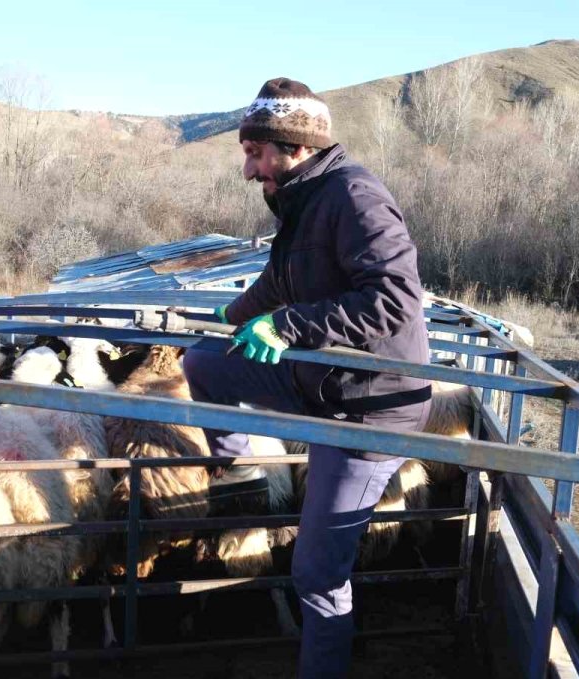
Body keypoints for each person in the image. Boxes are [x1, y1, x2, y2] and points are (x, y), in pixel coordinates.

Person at [181, 78, 431, 678]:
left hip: (369, 406)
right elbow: (279, 281)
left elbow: (396, 299)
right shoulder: (302, 199)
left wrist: (288, 326)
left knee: (317, 573)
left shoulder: (354, 196)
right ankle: (240, 478)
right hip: (323, 381)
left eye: (254, 153)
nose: (248, 170)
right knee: (203, 362)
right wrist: (232, 316)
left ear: (292, 146)